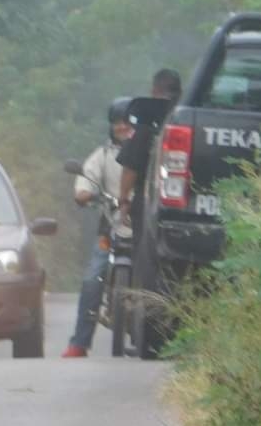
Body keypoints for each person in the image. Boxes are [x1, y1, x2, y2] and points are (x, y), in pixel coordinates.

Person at [61, 97, 135, 358]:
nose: (123, 127)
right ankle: (79, 343)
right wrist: (85, 193)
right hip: (111, 228)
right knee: (93, 278)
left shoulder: (152, 152)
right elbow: (85, 182)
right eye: (118, 123)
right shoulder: (103, 155)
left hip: (145, 229)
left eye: (128, 122)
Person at [117, 68, 183, 238]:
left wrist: (124, 200)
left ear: (154, 91)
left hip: (148, 199)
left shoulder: (145, 120)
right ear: (180, 93)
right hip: (183, 202)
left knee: (145, 256)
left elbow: (130, 167)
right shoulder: (186, 119)